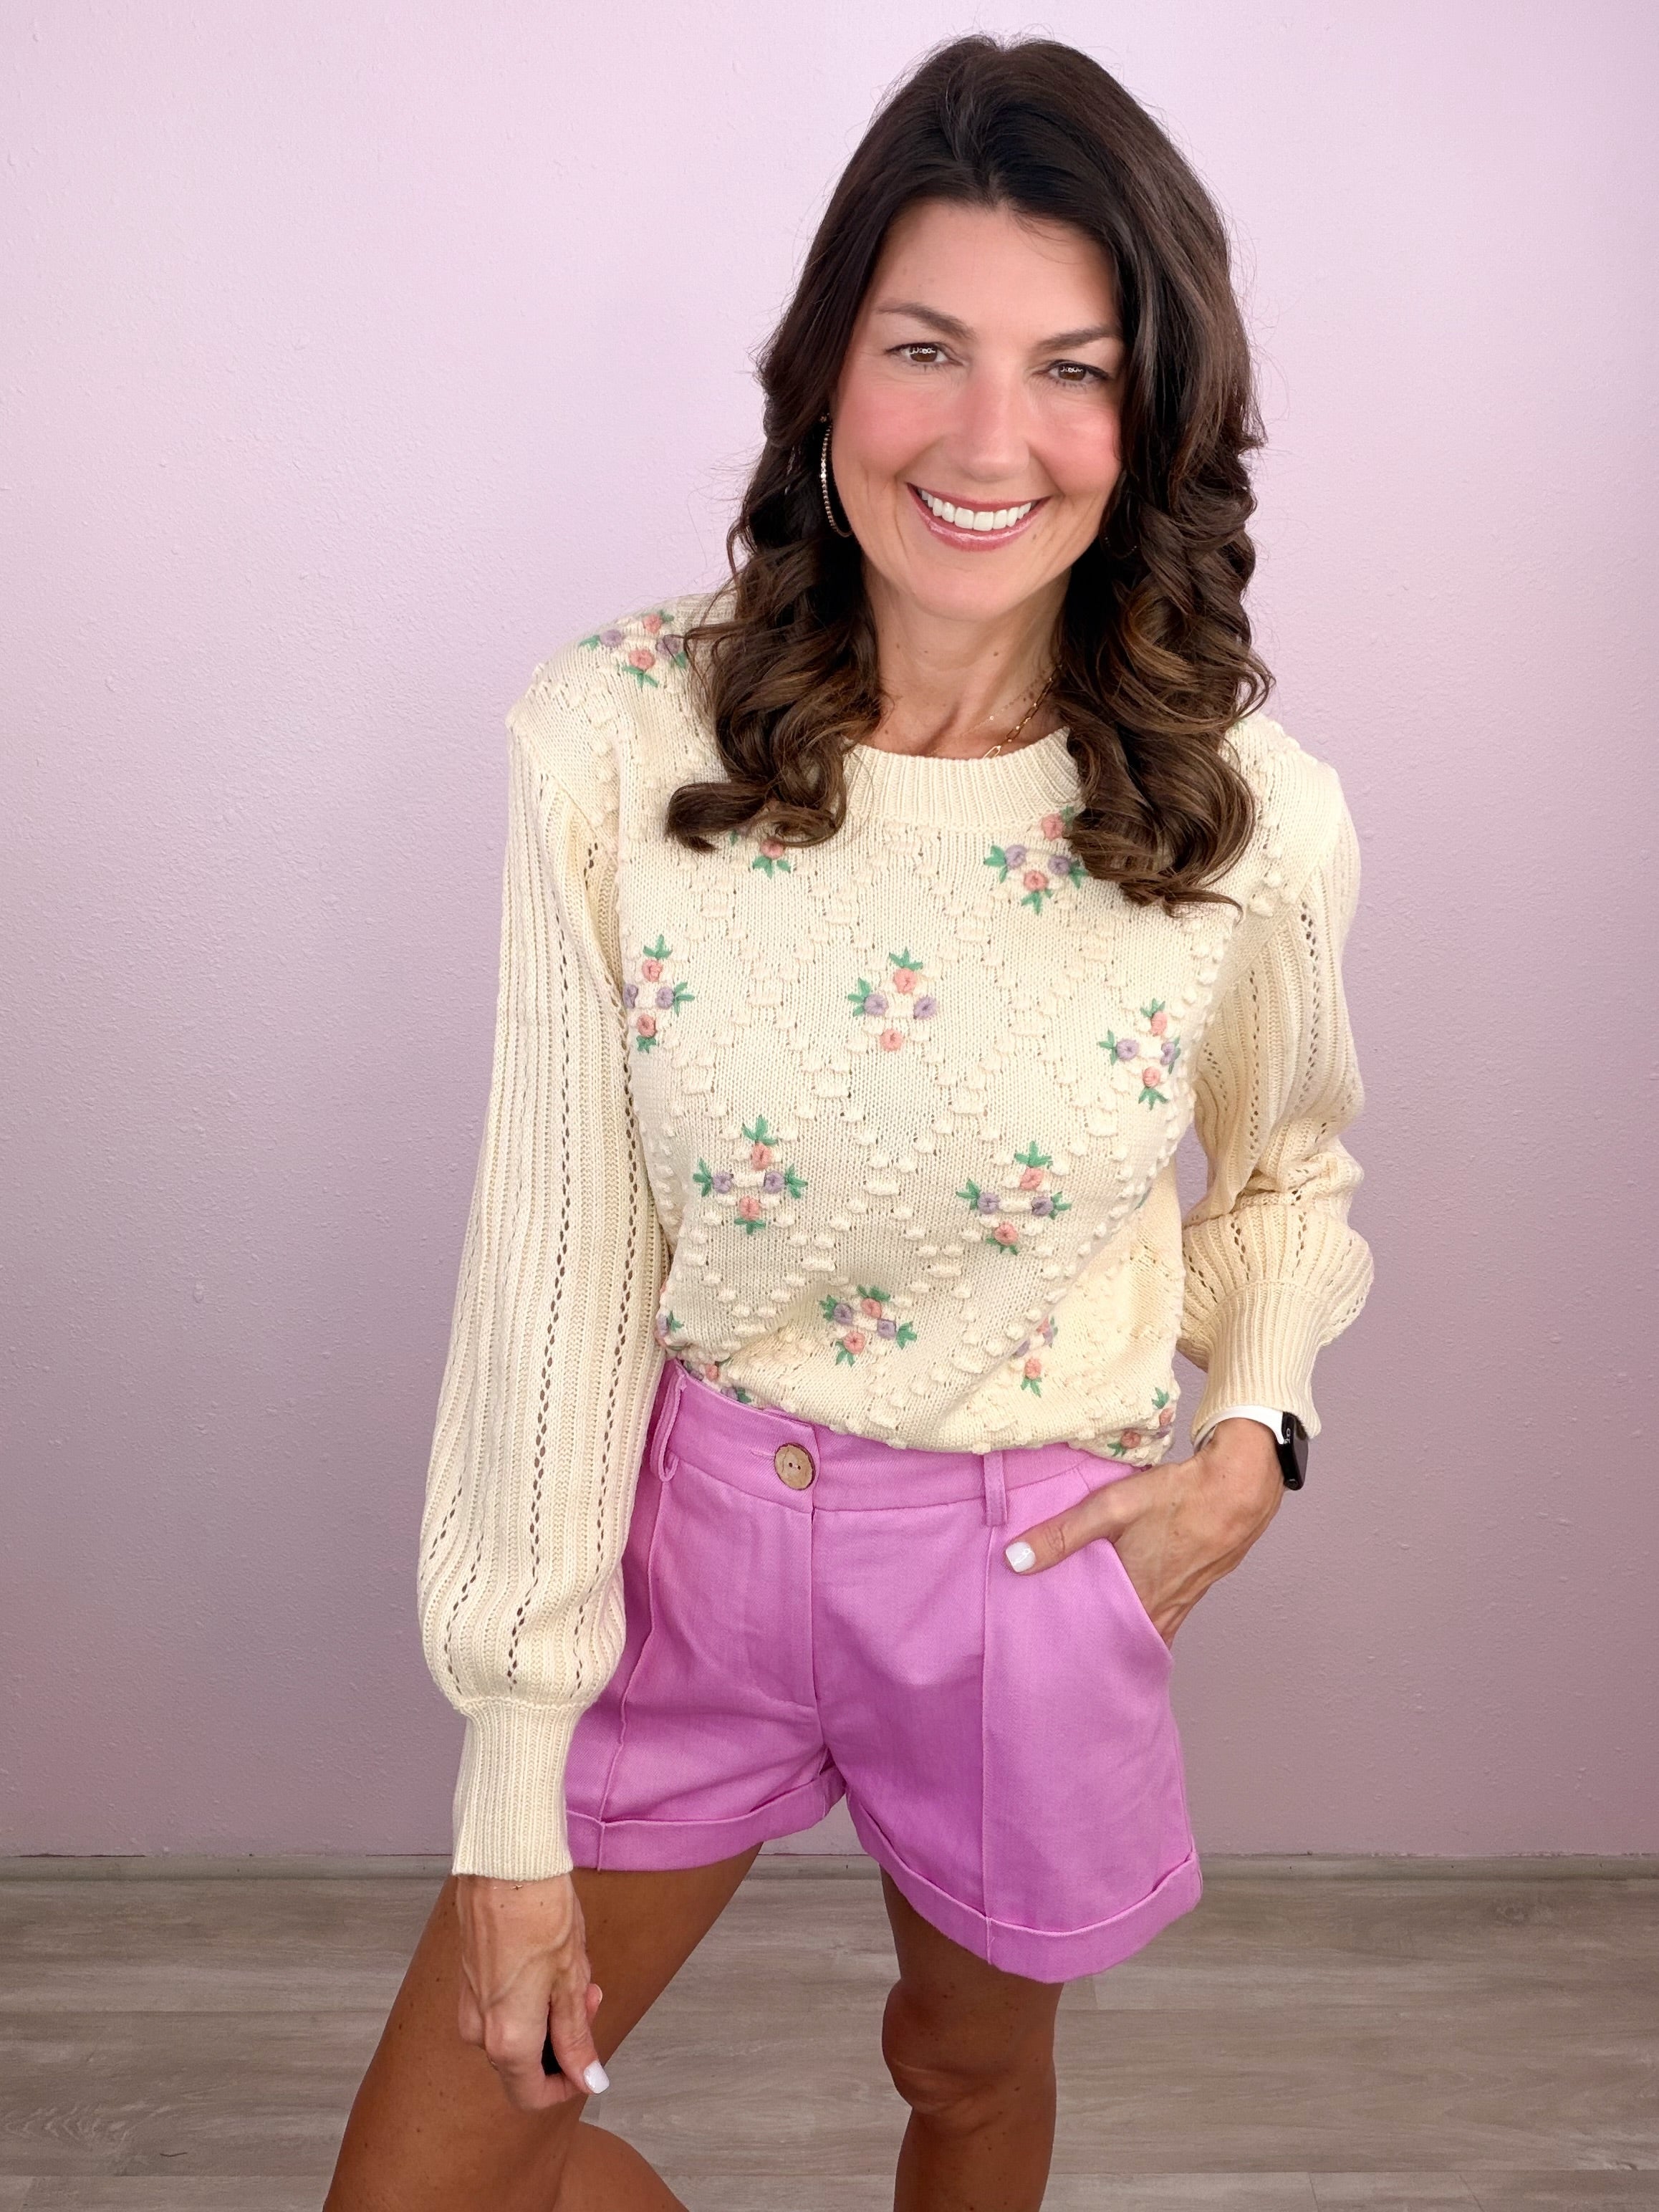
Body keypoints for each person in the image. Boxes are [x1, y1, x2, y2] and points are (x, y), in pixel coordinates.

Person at [324, 31, 1372, 2212]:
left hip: (1023, 1570)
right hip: (682, 1548)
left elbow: (1287, 1171)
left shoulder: (1241, 814)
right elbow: (554, 1275)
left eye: (1072, 372)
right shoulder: (616, 742)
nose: (989, 440)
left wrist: (1255, 1437)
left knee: (965, 2086)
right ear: (825, 372)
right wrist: (509, 1787)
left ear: (1152, 423)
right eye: (925, 349)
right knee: (429, 2191)